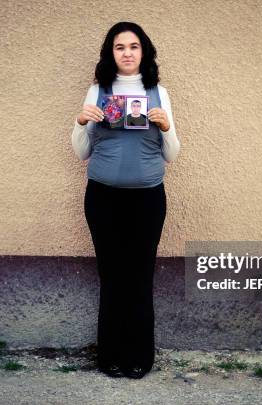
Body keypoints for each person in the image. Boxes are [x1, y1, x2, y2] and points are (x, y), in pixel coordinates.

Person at [70, 21, 180, 379]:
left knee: (139, 275)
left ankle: (139, 356)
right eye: (120, 47)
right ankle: (110, 356)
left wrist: (166, 128)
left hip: (148, 199)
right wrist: (81, 121)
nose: (128, 53)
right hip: (102, 198)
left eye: (134, 46)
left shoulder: (158, 92)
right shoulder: (97, 90)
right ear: (111, 53)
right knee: (112, 275)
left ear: (143, 52)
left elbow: (172, 155)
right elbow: (80, 151)